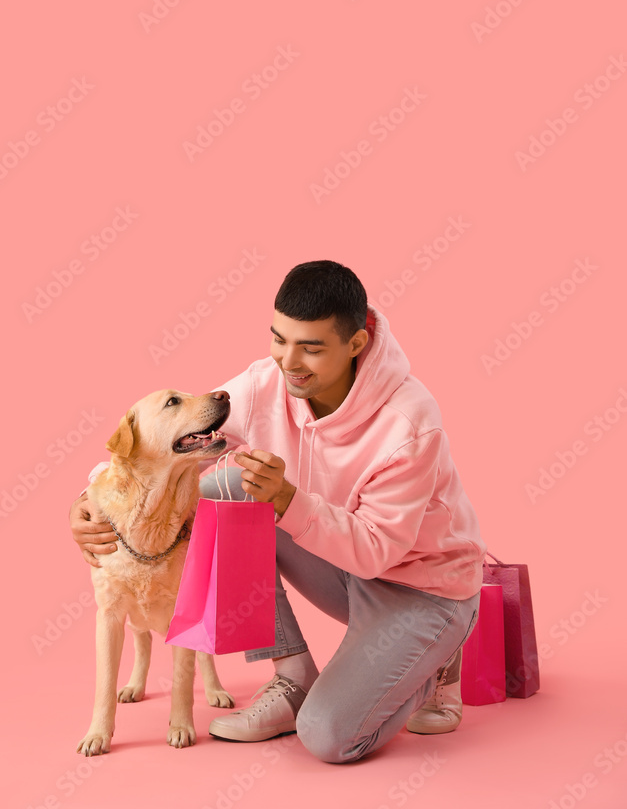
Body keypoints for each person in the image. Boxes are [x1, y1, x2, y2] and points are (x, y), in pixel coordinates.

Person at [69, 260, 485, 764]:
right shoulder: (266, 383)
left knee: (329, 738)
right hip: (343, 571)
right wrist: (89, 500)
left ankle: (435, 662)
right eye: (279, 339)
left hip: (419, 586)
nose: (289, 361)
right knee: (223, 486)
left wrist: (288, 500)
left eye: (310, 347)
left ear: (356, 344)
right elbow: (168, 442)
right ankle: (292, 678)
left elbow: (377, 554)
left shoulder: (410, 423)